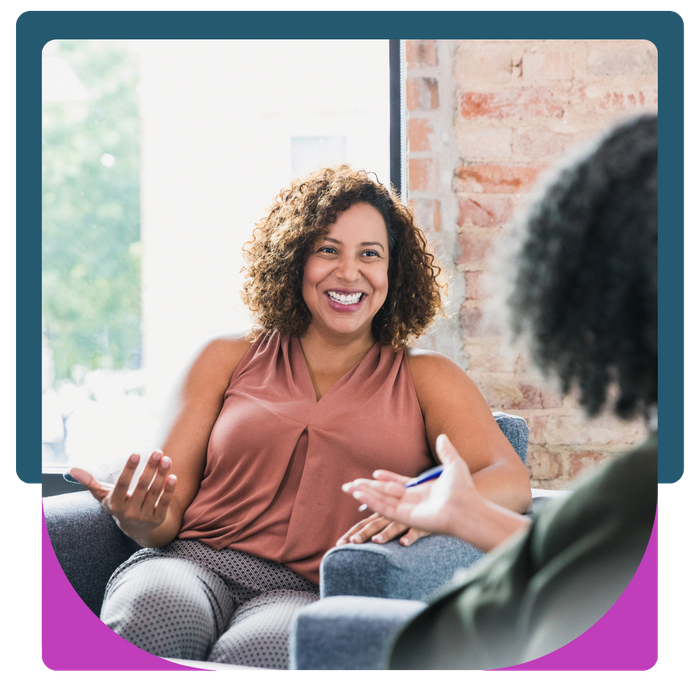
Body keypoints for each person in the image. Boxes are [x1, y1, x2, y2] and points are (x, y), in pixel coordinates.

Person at [70, 165, 532, 670]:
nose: (348, 272)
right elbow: (166, 518)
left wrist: (431, 500)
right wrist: (142, 519)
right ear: (296, 260)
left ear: (393, 273)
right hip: (189, 562)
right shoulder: (224, 358)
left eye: (369, 255)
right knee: (153, 613)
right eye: (327, 250)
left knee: (261, 650)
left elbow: (510, 480)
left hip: (307, 590)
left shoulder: (429, 378)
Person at [343, 113, 659, 671]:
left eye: (370, 253)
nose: (349, 271)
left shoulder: (635, 489)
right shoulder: (627, 499)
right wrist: (466, 513)